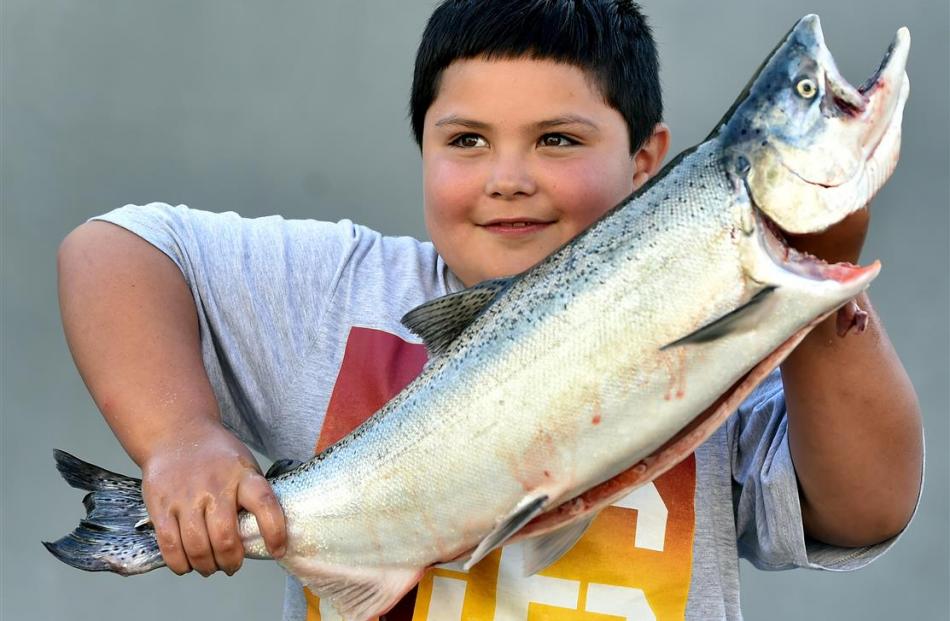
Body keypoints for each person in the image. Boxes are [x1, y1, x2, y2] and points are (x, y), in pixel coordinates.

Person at [56, 1, 923, 619]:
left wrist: (816, 282)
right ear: (422, 149)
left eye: (558, 139)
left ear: (647, 160)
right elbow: (111, 249)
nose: (509, 175)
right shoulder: (343, 290)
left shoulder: (734, 318)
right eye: (467, 141)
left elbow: (868, 507)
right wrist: (180, 434)